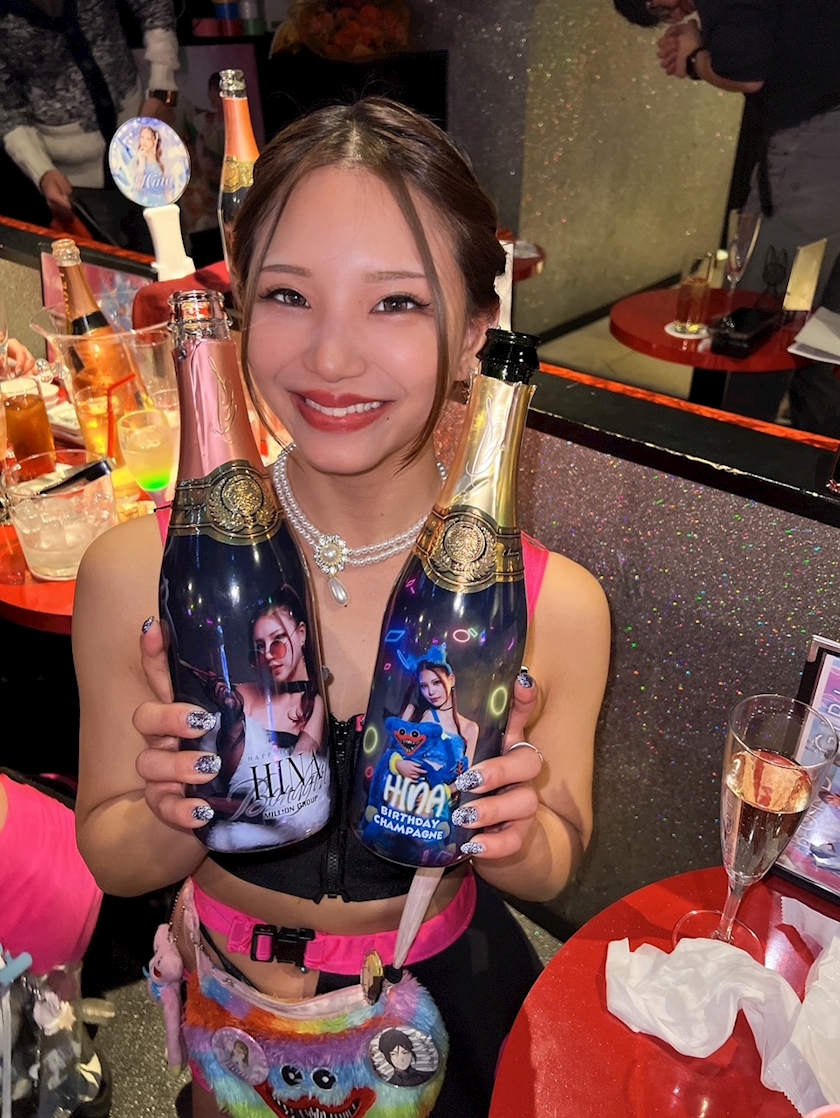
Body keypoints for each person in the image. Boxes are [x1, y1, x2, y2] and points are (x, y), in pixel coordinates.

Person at [73, 98, 611, 1118]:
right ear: (237, 310)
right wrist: (176, 800)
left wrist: (513, 830)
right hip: (231, 1019)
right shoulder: (139, 571)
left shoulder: (555, 605)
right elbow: (111, 851)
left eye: (395, 303)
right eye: (287, 294)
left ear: (476, 335)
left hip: (441, 1007)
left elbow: (556, 863)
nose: (330, 357)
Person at [613, 0, 840, 435]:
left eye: (659, 10)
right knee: (826, 325)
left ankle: (736, 450)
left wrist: (695, 59)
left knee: (761, 313)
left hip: (818, 144)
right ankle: (814, 454)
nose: (675, 16)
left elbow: (745, 71)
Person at [0, 0, 178, 233]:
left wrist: (163, 87)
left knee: (174, 246)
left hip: (145, 142)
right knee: (104, 255)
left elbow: (154, 6)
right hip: (76, 184)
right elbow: (7, 108)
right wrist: (41, 172)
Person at [181, 587, 330, 852]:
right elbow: (224, 774)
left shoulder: (312, 705)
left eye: (278, 641)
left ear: (302, 634)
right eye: (259, 648)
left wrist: (211, 803)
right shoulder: (240, 694)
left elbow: (297, 796)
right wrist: (232, 717)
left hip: (269, 827)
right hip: (225, 836)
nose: (269, 655)